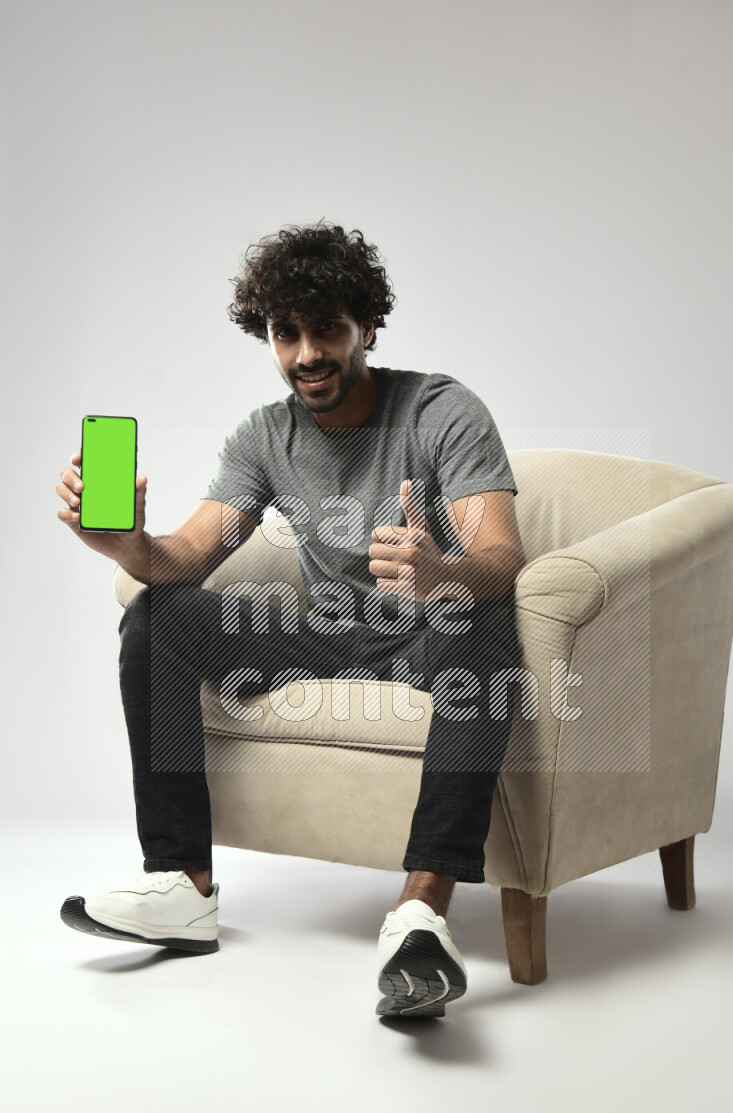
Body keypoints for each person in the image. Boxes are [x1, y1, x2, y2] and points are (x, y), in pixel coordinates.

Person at [55, 220, 526, 1018]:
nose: (307, 353)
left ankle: (420, 914)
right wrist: (129, 546)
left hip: (430, 639)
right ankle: (182, 885)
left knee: (481, 618)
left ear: (366, 325)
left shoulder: (442, 410)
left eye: (327, 329)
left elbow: (503, 557)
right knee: (158, 613)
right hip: (327, 635)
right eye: (286, 333)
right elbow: (188, 556)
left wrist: (440, 573)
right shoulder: (265, 436)